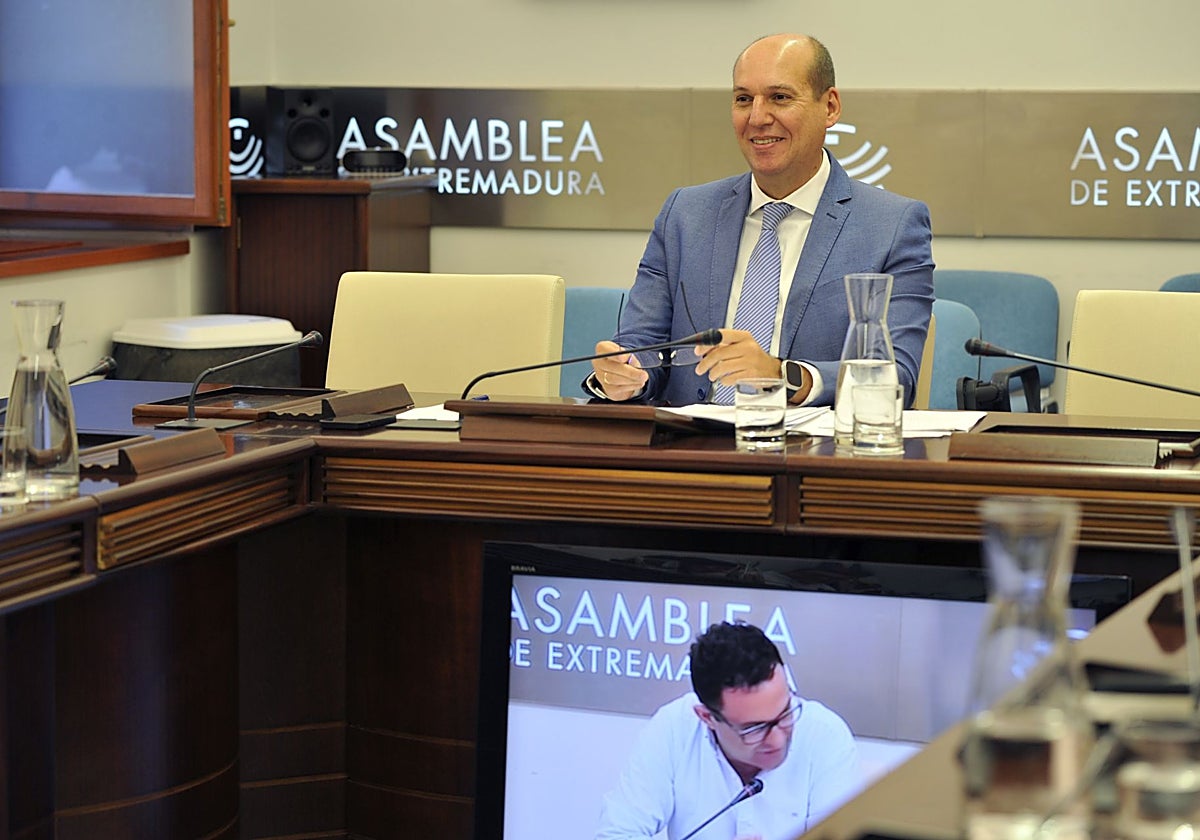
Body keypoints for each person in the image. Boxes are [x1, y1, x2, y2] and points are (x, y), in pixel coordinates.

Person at [588, 34, 934, 407]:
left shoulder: (893, 225)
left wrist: (778, 375)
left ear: (830, 107)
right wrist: (624, 373)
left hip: (810, 453)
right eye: (743, 99)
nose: (757, 118)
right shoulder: (685, 214)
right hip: (691, 453)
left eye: (779, 98)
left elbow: (894, 373)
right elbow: (643, 347)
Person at [594, 622, 859, 840]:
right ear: (707, 717)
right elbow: (616, 834)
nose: (777, 739)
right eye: (754, 728)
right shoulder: (674, 727)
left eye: (786, 713)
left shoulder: (825, 735)